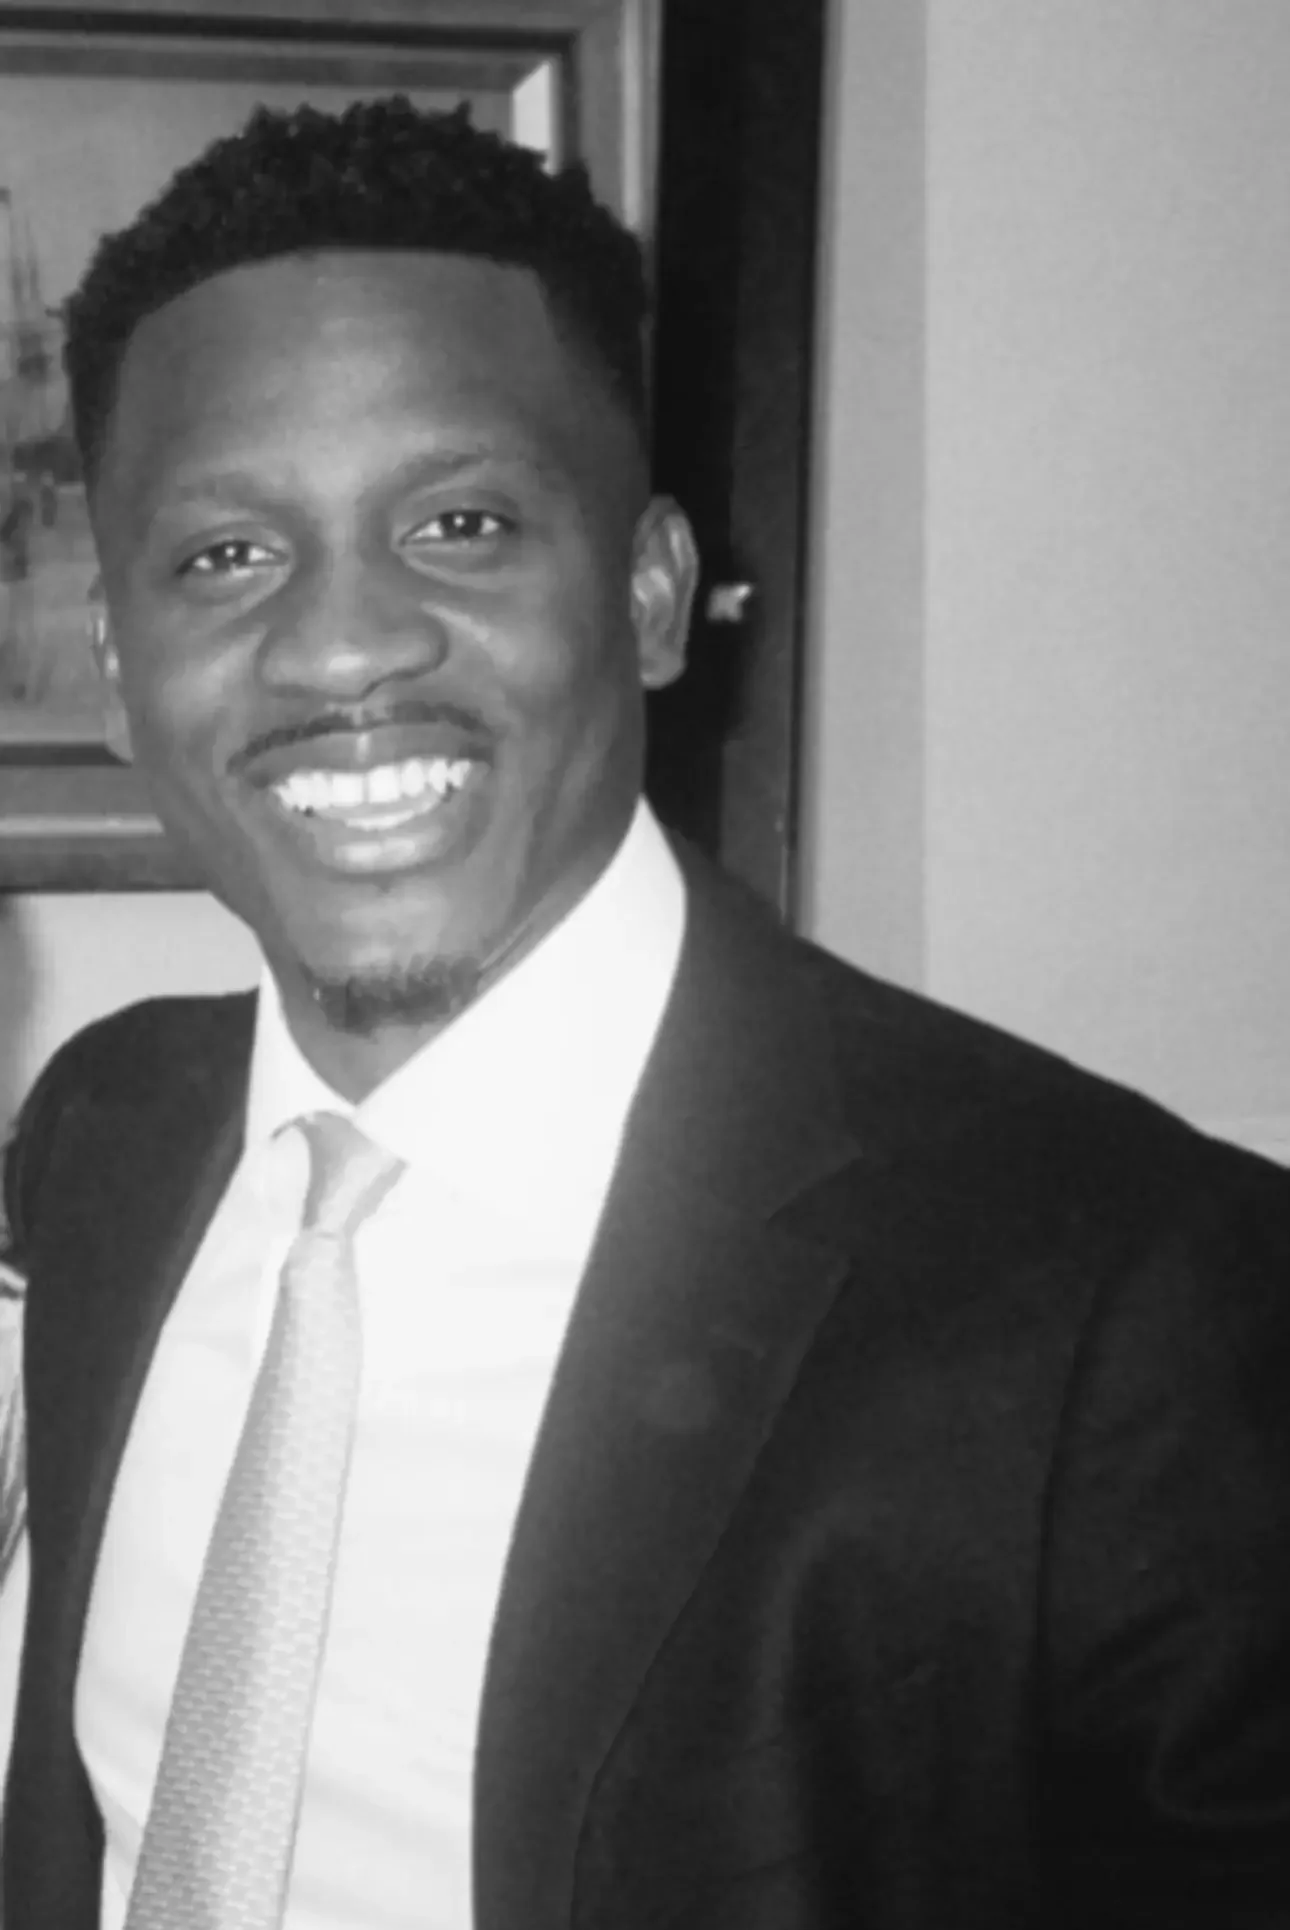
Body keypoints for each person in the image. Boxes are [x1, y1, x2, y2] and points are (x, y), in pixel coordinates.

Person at [1, 97, 1287, 1930]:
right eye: (224, 556)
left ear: (651, 591)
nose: (344, 646)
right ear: (119, 672)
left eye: (457, 523)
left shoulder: (1127, 1309)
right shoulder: (105, 1135)